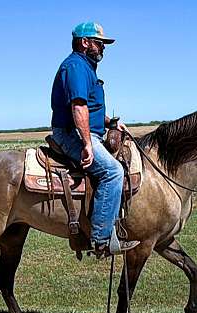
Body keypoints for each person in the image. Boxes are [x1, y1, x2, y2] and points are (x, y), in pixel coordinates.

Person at [50, 22, 139, 256]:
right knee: (113, 172)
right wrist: (88, 144)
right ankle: (101, 238)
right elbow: (78, 106)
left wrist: (110, 122)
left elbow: (90, 107)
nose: (103, 48)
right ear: (85, 42)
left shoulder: (86, 68)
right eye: (99, 43)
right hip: (72, 134)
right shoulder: (76, 67)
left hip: (88, 131)